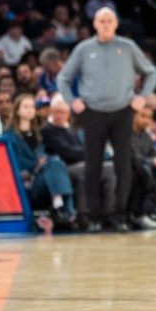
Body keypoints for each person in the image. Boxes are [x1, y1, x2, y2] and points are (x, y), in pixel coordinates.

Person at [57, 7, 156, 231]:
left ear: (116, 24)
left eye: (109, 20)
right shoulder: (84, 49)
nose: (105, 24)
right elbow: (63, 78)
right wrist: (72, 100)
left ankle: (120, 215)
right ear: (94, 24)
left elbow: (151, 72)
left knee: (124, 165)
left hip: (123, 111)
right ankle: (95, 217)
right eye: (101, 21)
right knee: (92, 165)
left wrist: (142, 97)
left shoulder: (128, 47)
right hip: (93, 112)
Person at [42, 96, 120, 230]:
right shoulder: (48, 130)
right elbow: (66, 151)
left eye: (63, 112)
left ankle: (110, 213)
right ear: (51, 112)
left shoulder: (73, 130)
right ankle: (85, 216)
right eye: (57, 111)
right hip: (61, 170)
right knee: (86, 169)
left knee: (111, 169)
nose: (60, 115)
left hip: (83, 163)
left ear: (69, 113)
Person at [2, 94, 75, 232]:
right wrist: (35, 165)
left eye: (32, 107)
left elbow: (44, 157)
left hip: (42, 177)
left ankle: (59, 206)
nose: (30, 110)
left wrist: (41, 163)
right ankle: (63, 208)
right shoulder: (9, 137)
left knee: (55, 161)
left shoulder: (38, 134)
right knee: (54, 163)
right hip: (26, 182)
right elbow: (14, 164)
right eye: (26, 107)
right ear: (17, 110)